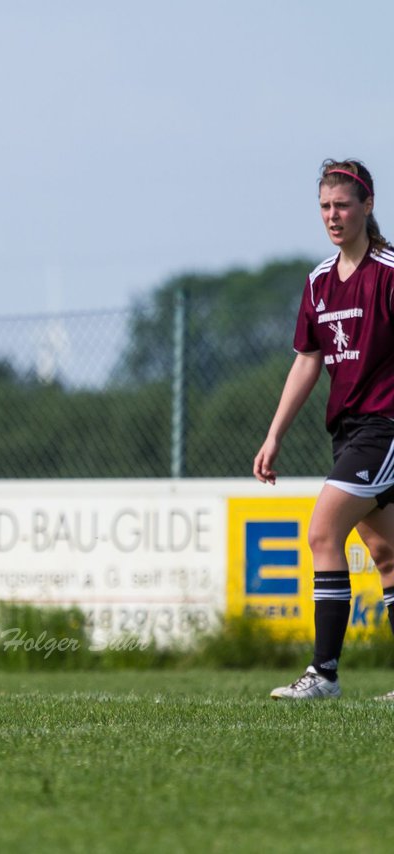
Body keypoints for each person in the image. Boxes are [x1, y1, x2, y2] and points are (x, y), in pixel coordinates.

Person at [256, 159, 394, 700]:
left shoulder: (388, 271)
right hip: (349, 429)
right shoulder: (317, 282)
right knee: (385, 555)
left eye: (342, 205)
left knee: (321, 532)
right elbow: (307, 361)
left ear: (367, 205)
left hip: (384, 428)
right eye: (324, 207)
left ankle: (325, 674)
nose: (333, 217)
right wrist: (274, 435)